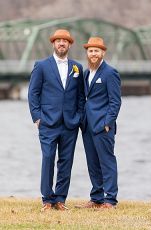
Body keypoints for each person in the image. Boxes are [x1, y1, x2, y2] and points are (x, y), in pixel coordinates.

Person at [27, 29, 85, 211]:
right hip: (48, 123)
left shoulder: (77, 68)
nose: (62, 43)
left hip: (70, 124)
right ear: (53, 43)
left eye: (65, 41)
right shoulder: (41, 66)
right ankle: (47, 200)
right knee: (48, 158)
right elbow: (33, 93)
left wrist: (78, 117)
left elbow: (81, 97)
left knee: (66, 161)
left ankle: (60, 200)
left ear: (69, 44)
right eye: (58, 40)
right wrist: (37, 117)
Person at [78, 37, 122, 209]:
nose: (93, 54)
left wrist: (107, 122)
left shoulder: (110, 73)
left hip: (103, 126)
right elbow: (85, 98)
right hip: (88, 126)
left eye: (97, 50)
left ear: (103, 52)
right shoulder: (86, 73)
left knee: (107, 162)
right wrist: (82, 120)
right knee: (92, 163)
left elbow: (115, 101)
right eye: (90, 51)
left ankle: (110, 199)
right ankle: (96, 197)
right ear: (87, 53)